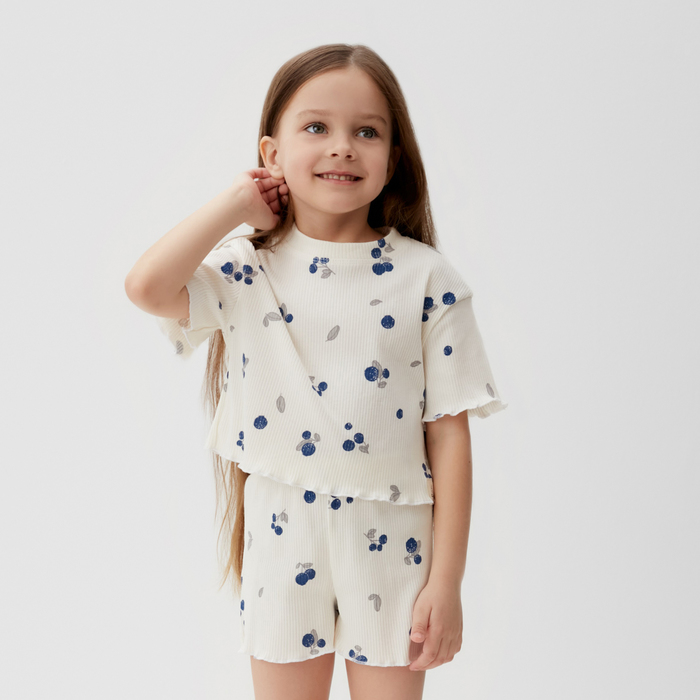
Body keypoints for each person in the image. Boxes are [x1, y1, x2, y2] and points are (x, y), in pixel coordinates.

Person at [125, 43, 507, 700]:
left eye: (367, 131)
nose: (342, 147)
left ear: (393, 159)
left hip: (395, 540)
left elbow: (449, 435)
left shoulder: (427, 280)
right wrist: (236, 204)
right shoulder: (245, 269)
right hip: (281, 533)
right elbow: (146, 287)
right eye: (316, 127)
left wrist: (447, 582)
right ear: (272, 153)